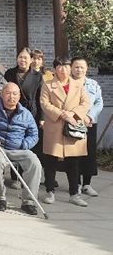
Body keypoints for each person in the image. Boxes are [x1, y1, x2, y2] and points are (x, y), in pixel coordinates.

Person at [0, 82, 42, 215]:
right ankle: (1, 198)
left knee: (34, 163)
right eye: (8, 93)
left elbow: (34, 135)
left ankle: (29, 201)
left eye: (15, 94)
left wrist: (25, 145)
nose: (11, 97)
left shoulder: (26, 114)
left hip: (19, 149)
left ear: (19, 96)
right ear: (2, 94)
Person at [40, 57, 90, 207]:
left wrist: (72, 114)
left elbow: (85, 102)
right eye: (60, 67)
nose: (63, 70)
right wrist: (62, 114)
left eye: (66, 66)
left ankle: (74, 194)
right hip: (55, 125)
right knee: (50, 160)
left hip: (72, 126)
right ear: (55, 69)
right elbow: (44, 104)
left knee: (73, 162)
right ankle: (50, 191)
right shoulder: (48, 84)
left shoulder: (78, 85)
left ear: (70, 68)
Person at [74, 58, 103, 197]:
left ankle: (87, 184)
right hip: (74, 123)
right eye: (76, 67)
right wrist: (80, 117)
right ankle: (76, 184)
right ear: (72, 68)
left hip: (90, 123)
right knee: (75, 154)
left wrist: (89, 116)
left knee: (89, 153)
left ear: (86, 69)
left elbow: (99, 103)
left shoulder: (93, 84)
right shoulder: (68, 84)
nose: (79, 69)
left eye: (82, 67)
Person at [4, 48, 43, 123]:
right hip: (12, 111)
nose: (22, 60)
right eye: (20, 57)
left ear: (31, 60)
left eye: (25, 58)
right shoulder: (10, 73)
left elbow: (40, 97)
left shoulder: (38, 76)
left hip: (31, 113)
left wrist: (42, 117)